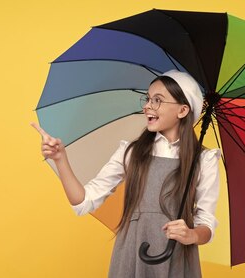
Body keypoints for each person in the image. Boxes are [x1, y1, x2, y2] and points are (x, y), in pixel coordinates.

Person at [32, 70, 220, 278]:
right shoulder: (131, 152)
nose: (147, 106)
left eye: (157, 100)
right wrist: (61, 160)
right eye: (148, 99)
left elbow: (206, 223)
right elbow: (83, 202)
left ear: (183, 110)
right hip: (132, 252)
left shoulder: (204, 160)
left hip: (177, 258)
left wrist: (191, 234)